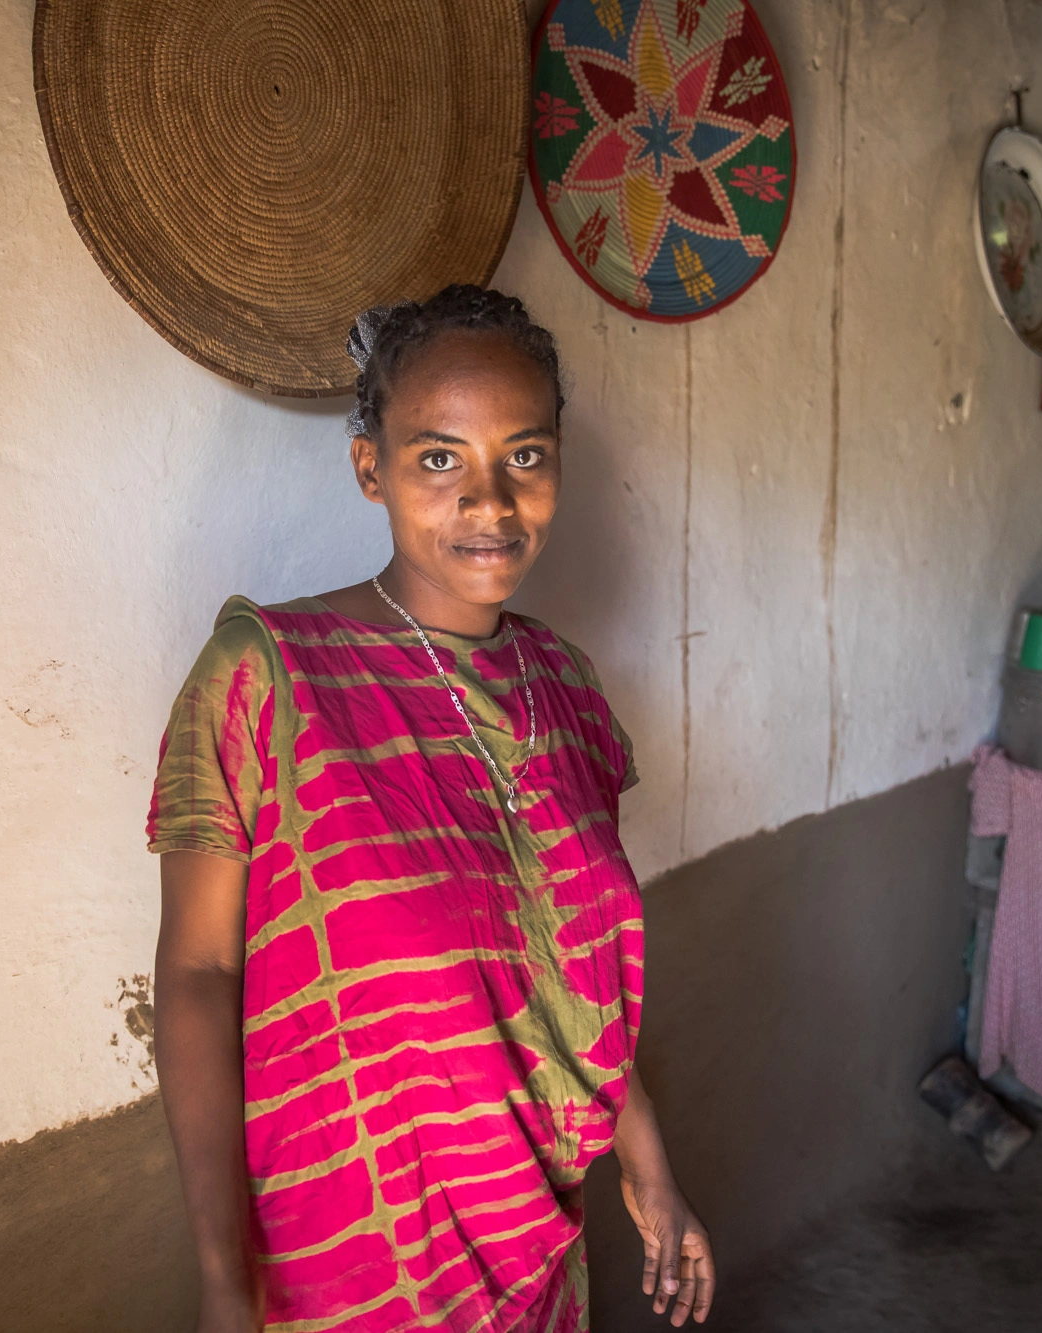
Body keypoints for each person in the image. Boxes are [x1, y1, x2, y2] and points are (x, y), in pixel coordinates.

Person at [148, 285, 714, 1331]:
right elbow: (198, 973)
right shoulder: (266, 678)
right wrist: (223, 1279)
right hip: (349, 1262)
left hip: (537, 1248)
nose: (490, 503)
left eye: (524, 456)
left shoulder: (566, 687)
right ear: (371, 467)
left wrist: (649, 1169)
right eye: (439, 457)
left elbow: (575, 982)